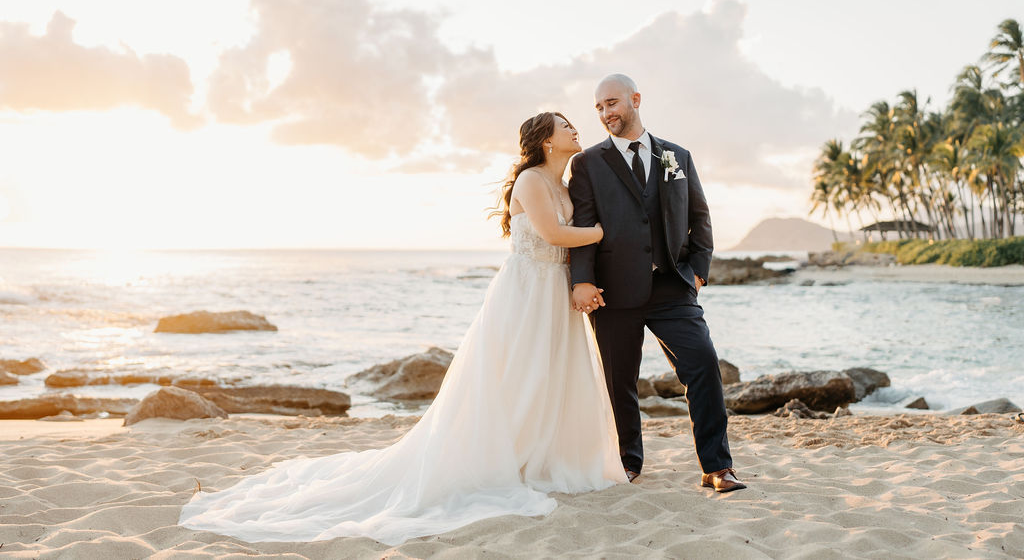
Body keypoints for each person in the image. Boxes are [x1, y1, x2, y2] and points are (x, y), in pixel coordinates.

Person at [178, 112, 626, 546]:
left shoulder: (563, 183)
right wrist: (604, 232)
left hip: (554, 291)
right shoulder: (531, 180)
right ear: (547, 140)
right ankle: (507, 460)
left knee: (549, 376)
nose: (574, 129)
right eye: (565, 124)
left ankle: (541, 457)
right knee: (519, 376)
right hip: (527, 291)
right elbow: (551, 234)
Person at [568, 74, 745, 493]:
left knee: (702, 364)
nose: (605, 113)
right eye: (598, 108)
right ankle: (629, 462)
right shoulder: (588, 163)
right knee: (619, 380)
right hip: (613, 291)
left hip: (673, 286)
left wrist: (698, 271)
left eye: (611, 103)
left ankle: (717, 467)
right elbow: (582, 225)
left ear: (635, 99)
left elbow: (699, 217)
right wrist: (582, 281)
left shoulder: (677, 155)